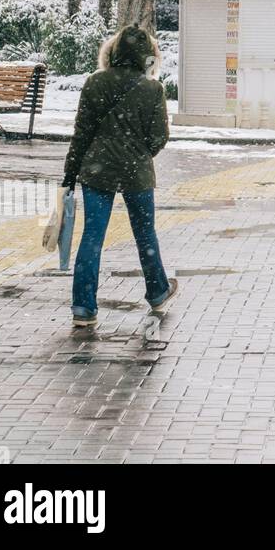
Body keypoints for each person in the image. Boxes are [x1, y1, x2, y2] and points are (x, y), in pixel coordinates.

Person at [64, 25, 175, 327]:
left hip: (96, 171)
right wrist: (138, 155)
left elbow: (82, 133)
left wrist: (70, 171)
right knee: (145, 235)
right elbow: (160, 137)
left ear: (112, 52)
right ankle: (157, 291)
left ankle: (84, 308)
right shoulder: (152, 89)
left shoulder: (94, 83)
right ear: (148, 57)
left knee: (92, 237)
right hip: (136, 173)